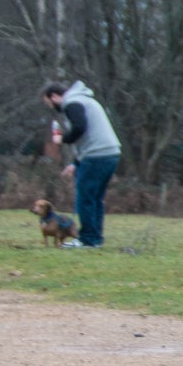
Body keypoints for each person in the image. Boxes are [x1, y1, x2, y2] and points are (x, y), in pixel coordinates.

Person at [40, 80, 123, 249]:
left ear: (54, 96)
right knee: (95, 199)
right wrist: (76, 163)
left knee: (85, 199)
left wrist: (62, 139)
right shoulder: (86, 100)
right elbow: (91, 136)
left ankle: (87, 240)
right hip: (110, 154)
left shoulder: (72, 102)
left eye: (49, 103)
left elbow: (80, 128)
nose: (51, 107)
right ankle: (95, 238)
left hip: (96, 156)